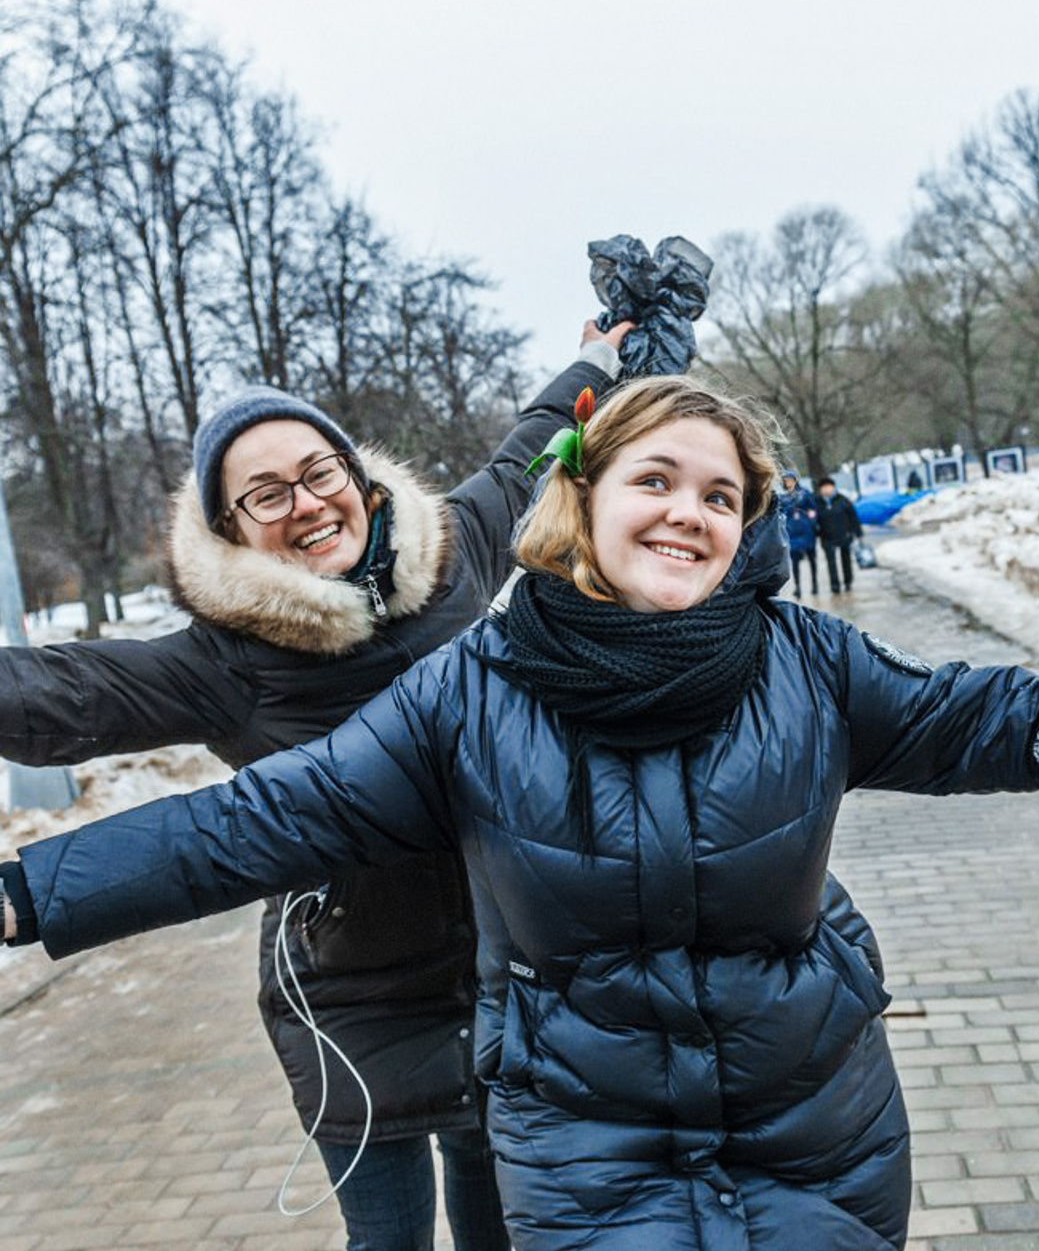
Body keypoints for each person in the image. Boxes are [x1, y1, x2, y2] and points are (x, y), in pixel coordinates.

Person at [2, 374, 1039, 1251]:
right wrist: (26, 893)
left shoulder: (805, 660)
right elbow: (242, 821)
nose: (685, 512)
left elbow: (996, 717)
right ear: (585, 497)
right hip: (587, 1152)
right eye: (654, 478)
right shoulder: (467, 690)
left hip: (816, 1133)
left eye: (719, 496)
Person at [0, 318, 630, 1251]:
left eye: (317, 471)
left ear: (358, 476)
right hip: (349, 1003)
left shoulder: (453, 555)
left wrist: (603, 358)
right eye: (265, 494)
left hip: (503, 979)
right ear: (232, 530)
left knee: (504, 1229)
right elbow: (63, 691)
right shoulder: (224, 662)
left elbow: (537, 445)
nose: (305, 503)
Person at [814, 476, 863, 594]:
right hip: (826, 536)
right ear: (820, 490)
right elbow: (812, 520)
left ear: (833, 487)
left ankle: (848, 582)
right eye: (823, 487)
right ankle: (835, 585)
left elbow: (853, 517)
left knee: (846, 560)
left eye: (828, 487)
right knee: (831, 563)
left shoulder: (842, 500)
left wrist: (857, 532)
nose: (826, 489)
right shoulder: (817, 502)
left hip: (844, 534)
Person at [779, 467, 818, 596]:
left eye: (790, 479)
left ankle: (815, 584)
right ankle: (798, 587)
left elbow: (813, 509)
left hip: (806, 530)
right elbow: (780, 514)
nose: (788, 482)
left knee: (812, 559)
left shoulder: (805, 494)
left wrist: (810, 522)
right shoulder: (782, 498)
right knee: (794, 561)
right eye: (785, 480)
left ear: (795, 480)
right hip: (792, 532)